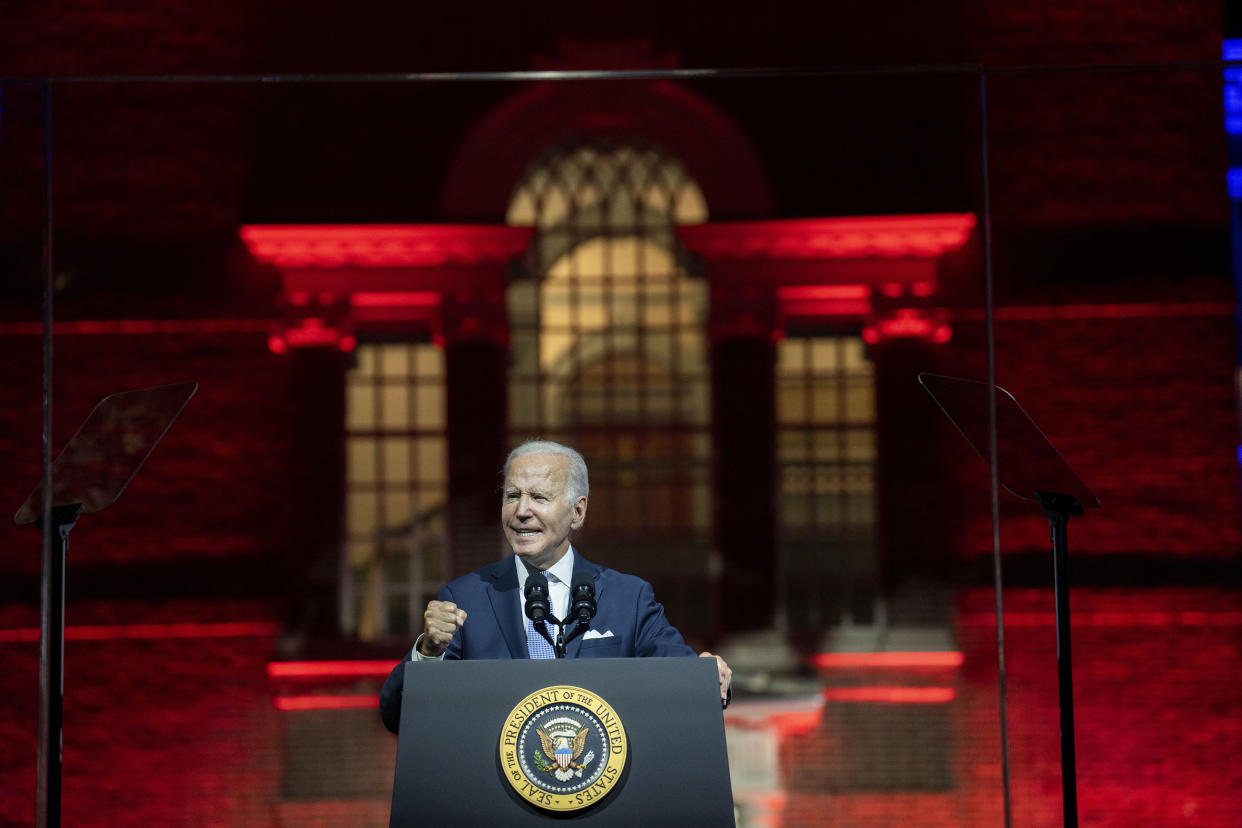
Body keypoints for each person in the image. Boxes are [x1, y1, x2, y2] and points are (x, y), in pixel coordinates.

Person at [379, 440, 732, 734]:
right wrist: (428, 652)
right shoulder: (465, 598)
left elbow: (691, 683)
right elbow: (398, 715)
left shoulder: (629, 598)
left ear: (577, 512)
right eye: (512, 495)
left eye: (539, 497)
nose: (521, 511)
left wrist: (708, 674)